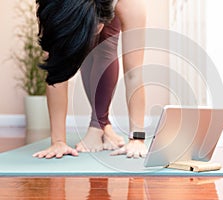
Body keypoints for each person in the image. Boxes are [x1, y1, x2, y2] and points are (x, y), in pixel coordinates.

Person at [33, 0, 148, 159]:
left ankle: (99, 125)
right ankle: (103, 126)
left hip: (107, 10)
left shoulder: (128, 5)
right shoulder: (55, 8)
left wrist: (137, 138)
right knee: (79, 45)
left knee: (106, 44)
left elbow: (133, 73)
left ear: (100, 25)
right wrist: (58, 141)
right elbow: (56, 68)